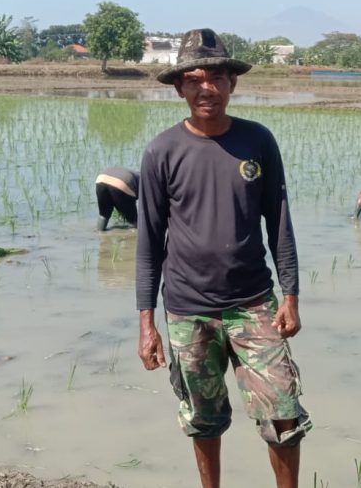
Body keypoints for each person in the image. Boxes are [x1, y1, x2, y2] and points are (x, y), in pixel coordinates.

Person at [136, 28, 309, 488]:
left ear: (233, 83)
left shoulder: (258, 141)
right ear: (179, 87)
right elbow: (149, 242)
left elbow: (280, 222)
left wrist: (290, 296)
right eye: (194, 79)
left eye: (216, 77)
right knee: (203, 418)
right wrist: (146, 323)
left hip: (253, 304)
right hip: (187, 309)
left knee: (283, 414)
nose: (206, 88)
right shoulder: (161, 151)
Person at [95, 167, 139, 231]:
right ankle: (132, 236)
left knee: (103, 215)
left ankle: (100, 233)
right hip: (122, 182)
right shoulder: (147, 181)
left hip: (101, 179)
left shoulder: (136, 174)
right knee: (135, 222)